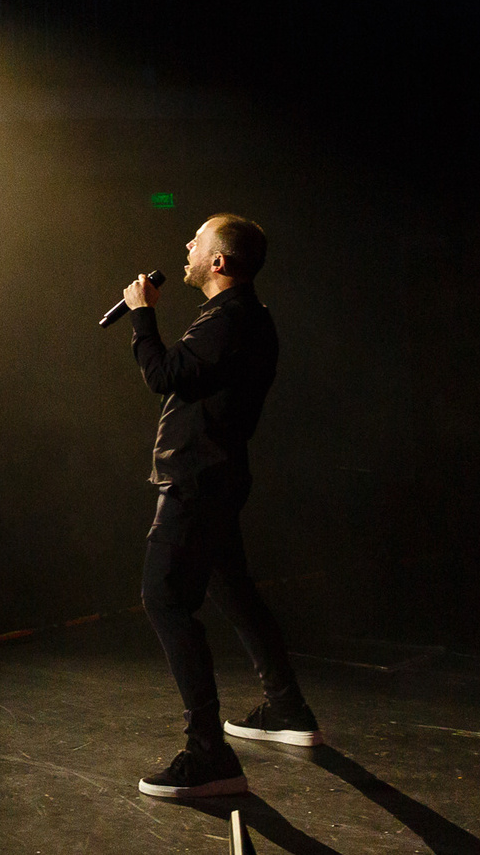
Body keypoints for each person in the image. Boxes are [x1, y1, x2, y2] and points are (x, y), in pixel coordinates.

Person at [121, 214, 320, 801]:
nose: (186, 245)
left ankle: (209, 753)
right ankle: (287, 707)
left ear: (220, 262)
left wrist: (141, 315)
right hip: (217, 475)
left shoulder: (229, 321)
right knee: (232, 589)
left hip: (197, 479)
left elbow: (163, 375)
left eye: (198, 241)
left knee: (163, 596)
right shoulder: (244, 318)